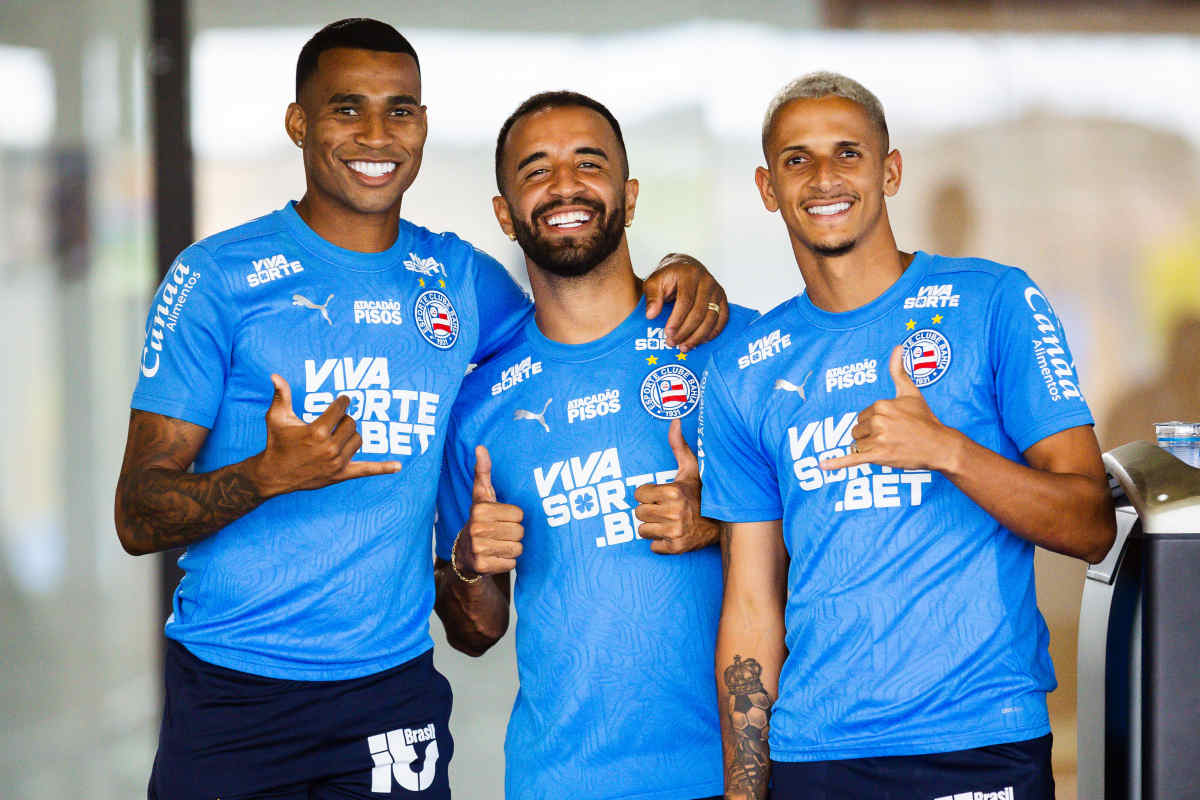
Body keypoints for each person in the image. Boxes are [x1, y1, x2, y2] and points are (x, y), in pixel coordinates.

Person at [113, 19, 728, 800]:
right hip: (235, 689)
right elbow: (137, 515)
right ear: (299, 124)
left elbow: (579, 314)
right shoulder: (217, 278)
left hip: (389, 691)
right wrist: (268, 475)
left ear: (425, 127)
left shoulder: (460, 281)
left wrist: (681, 272)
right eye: (347, 109)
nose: (377, 133)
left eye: (400, 110)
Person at [698, 72, 1116, 800]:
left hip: (979, 741)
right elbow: (752, 603)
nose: (824, 177)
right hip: (816, 752)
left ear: (889, 171)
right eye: (797, 159)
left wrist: (945, 449)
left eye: (848, 154)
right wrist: (744, 786)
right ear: (769, 188)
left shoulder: (994, 301)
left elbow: (1090, 525)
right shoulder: (744, 371)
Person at [432, 91, 757, 800]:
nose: (565, 185)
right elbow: (476, 631)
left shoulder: (725, 341)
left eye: (589, 162)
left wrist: (725, 519)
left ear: (629, 196)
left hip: (732, 774)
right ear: (504, 212)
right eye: (536, 170)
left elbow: (836, 539)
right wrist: (468, 561)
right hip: (560, 780)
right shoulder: (477, 404)